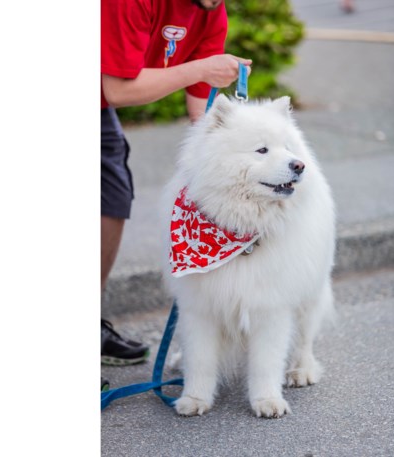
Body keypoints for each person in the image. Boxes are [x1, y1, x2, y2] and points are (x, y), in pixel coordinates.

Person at [100, 0, 253, 367]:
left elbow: (202, 111)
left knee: (113, 194)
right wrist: (200, 68)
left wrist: (226, 164)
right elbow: (118, 89)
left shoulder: (211, 10)